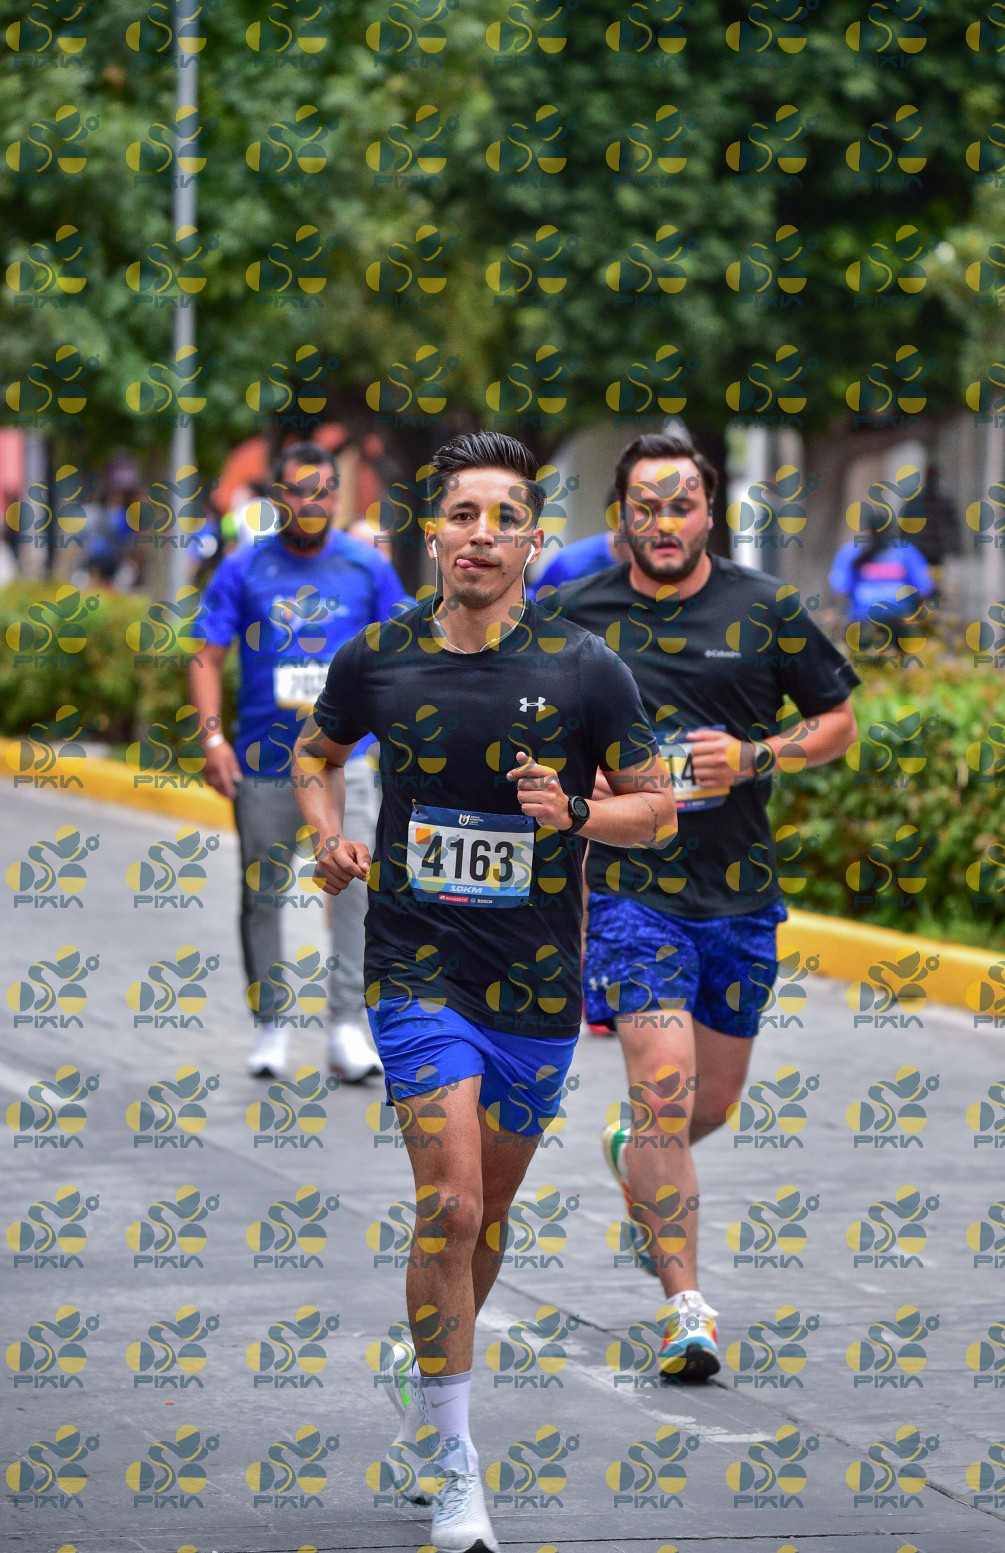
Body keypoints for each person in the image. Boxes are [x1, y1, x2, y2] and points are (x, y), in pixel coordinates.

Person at [293, 430, 674, 1553]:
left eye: (505, 519)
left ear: (533, 542)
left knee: (487, 1218)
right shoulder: (378, 657)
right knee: (450, 1205)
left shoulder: (585, 668)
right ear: (433, 533)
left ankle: (429, 1385)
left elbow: (657, 808)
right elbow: (315, 753)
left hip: (536, 981)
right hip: (416, 965)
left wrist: (578, 812)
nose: (481, 536)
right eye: (463, 514)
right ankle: (456, 1461)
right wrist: (326, 836)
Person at [556, 430, 859, 1383]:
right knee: (664, 1089)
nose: (664, 523)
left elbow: (838, 721)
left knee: (708, 1106)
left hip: (738, 895)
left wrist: (757, 755)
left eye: (680, 505)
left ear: (709, 513)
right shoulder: (575, 615)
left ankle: (637, 1152)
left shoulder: (764, 608)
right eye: (645, 507)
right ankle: (685, 1307)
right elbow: (530, 717)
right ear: (621, 517)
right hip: (631, 891)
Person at [188, 441, 406, 1082]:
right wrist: (212, 740)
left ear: (338, 496)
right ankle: (271, 1025)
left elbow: (402, 654)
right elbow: (205, 655)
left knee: (356, 890)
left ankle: (346, 1026)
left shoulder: (367, 567)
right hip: (264, 763)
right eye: (298, 491)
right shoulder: (244, 567)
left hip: (347, 764)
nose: (311, 502)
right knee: (262, 894)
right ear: (277, 496)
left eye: (323, 491)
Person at [828, 513, 933, 648]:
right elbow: (840, 588)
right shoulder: (852, 552)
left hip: (898, 621)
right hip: (863, 621)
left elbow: (924, 588)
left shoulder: (905, 551)